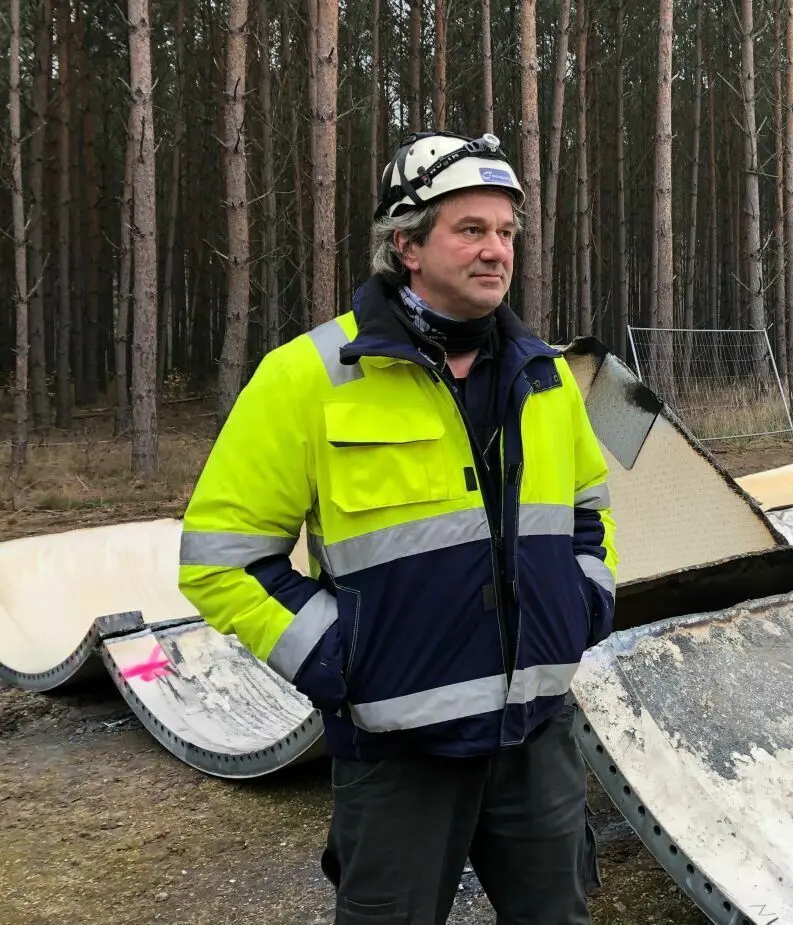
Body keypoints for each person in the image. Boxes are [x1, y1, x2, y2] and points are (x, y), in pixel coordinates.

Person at [177, 131, 616, 925]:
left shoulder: (543, 374)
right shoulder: (310, 375)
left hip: (537, 737)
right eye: (471, 230)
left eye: (507, 232)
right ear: (407, 246)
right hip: (399, 754)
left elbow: (588, 507)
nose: (497, 251)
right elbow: (222, 557)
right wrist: (341, 657)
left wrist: (585, 601)